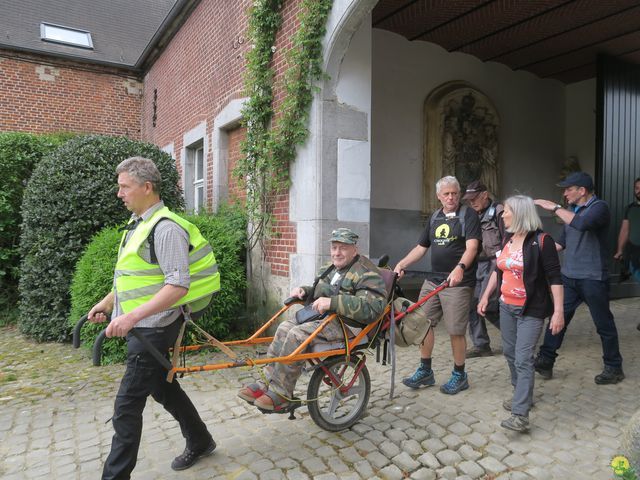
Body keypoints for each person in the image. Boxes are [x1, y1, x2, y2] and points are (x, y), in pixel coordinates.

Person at [88, 157, 219, 479]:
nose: (119, 193)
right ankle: (200, 439)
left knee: (126, 407)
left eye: (124, 187)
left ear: (147, 187)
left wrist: (130, 317)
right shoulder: (140, 225)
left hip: (154, 329)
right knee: (162, 388)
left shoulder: (166, 228)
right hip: (142, 325)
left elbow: (177, 285)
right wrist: (107, 303)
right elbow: (134, 278)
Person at [237, 228, 387, 410]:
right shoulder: (330, 268)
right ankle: (265, 382)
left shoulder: (366, 273)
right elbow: (321, 292)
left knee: (296, 334)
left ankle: (282, 393)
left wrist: (332, 303)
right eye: (334, 247)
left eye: (343, 248)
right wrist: (305, 291)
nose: (337, 253)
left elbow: (373, 308)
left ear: (354, 249)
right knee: (284, 327)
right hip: (324, 318)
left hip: (349, 325)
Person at [478, 195, 564, 433]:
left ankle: (520, 414)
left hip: (531, 309)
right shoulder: (508, 237)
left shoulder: (542, 241)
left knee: (523, 358)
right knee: (509, 352)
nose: (502, 214)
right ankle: (522, 395)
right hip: (506, 306)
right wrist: (485, 296)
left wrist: (558, 312)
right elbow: (499, 270)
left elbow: (555, 278)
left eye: (506, 211)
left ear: (519, 213)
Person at [533, 171, 624, 384]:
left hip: (593, 278)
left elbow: (582, 224)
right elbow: (560, 244)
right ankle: (545, 361)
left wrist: (553, 207)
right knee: (557, 320)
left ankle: (614, 367)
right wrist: (534, 253)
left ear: (582, 191)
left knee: (604, 324)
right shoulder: (571, 212)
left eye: (568, 189)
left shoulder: (600, 208)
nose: (564, 194)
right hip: (569, 277)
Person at [394, 176, 480, 395]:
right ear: (438, 196)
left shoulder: (467, 215)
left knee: (455, 330)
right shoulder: (434, 217)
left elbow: (472, 247)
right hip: (433, 281)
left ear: (459, 194)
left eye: (454, 193)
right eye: (446, 194)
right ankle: (425, 371)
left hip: (457, 284)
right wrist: (402, 264)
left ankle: (460, 375)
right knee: (423, 324)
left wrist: (460, 267)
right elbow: (421, 247)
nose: (451, 197)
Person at [462, 180, 505, 357]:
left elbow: (508, 239)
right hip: (476, 264)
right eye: (469, 199)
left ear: (485, 195)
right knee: (472, 304)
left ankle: (516, 336)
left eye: (475, 198)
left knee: (488, 305)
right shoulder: (471, 215)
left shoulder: (500, 212)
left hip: (495, 263)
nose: (471, 202)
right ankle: (481, 345)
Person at [613, 177, 640, 331]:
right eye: (636, 188)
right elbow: (625, 230)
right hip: (635, 252)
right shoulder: (630, 208)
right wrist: (619, 250)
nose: (639, 191)